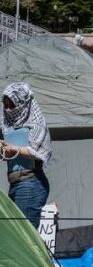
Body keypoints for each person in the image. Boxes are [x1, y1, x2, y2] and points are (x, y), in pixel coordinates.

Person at [0, 83, 52, 227]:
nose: (8, 110)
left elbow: (37, 152)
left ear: (22, 104)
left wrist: (14, 148)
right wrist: (3, 149)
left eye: (12, 106)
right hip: (15, 182)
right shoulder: (6, 124)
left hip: (30, 182)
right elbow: (6, 154)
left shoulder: (36, 124)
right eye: (5, 105)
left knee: (25, 234)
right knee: (19, 234)